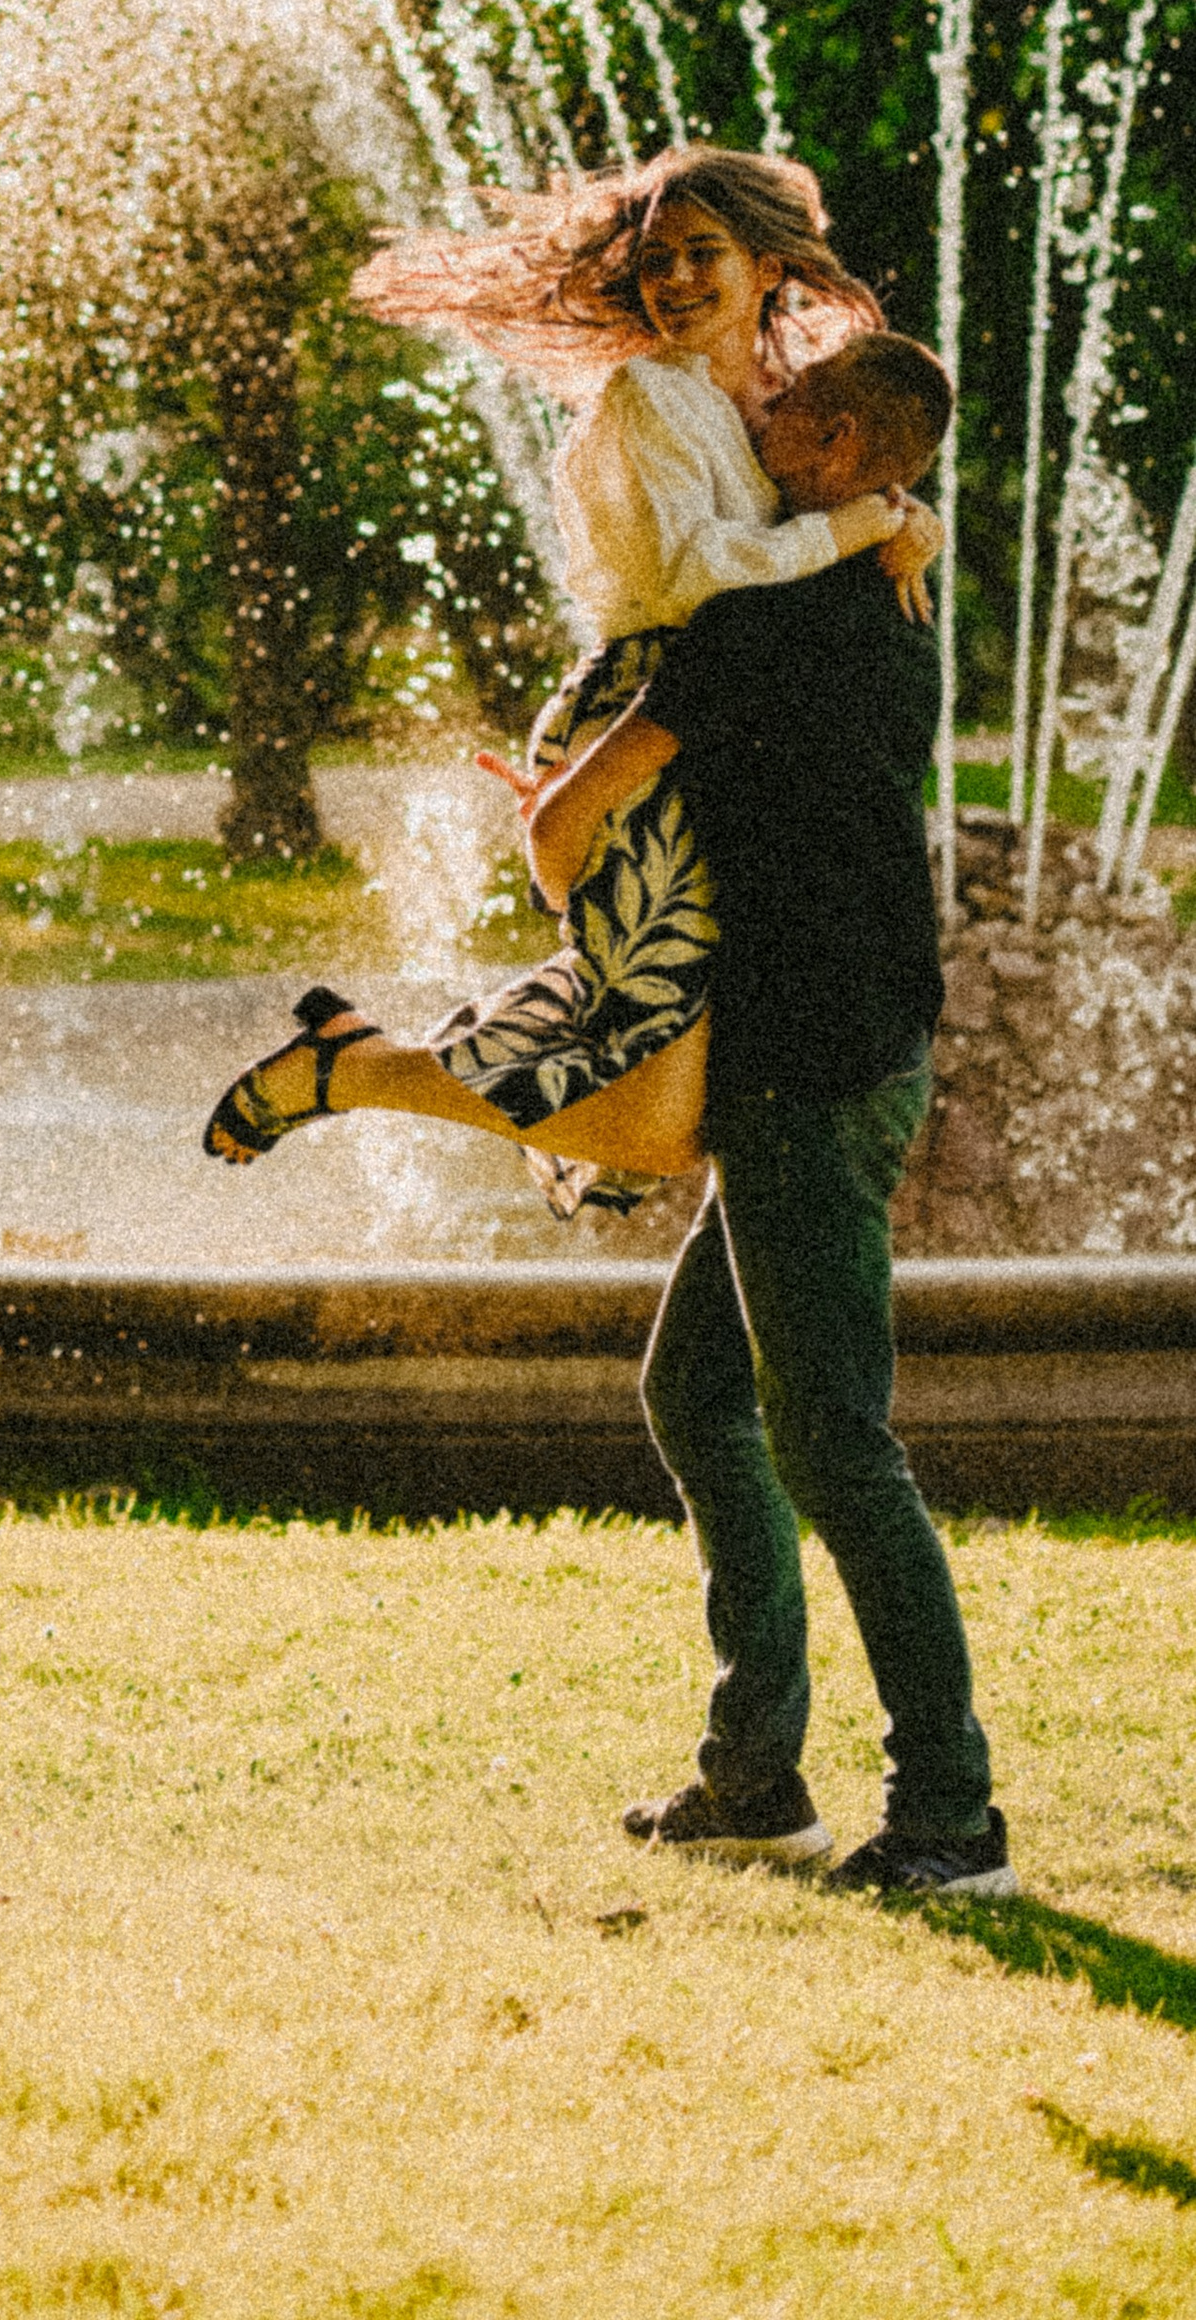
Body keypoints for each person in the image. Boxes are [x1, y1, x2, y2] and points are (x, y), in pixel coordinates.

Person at [512, 327, 1015, 1896]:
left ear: (849, 451)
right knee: (696, 1393)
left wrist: (582, 894)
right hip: (864, 1039)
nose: (763, 410)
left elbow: (565, 822)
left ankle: (951, 1819)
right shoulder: (894, 597)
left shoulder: (755, 621)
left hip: (803, 1060)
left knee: (834, 1442)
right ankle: (754, 1779)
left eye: (794, 405)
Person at [201, 145, 930, 1212]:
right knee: (660, 1103)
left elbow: (846, 479)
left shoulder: (779, 393)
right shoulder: (654, 395)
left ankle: (354, 1060)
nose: (674, 279)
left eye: (703, 253)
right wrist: (861, 527)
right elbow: (697, 575)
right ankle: (349, 1072)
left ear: (769, 266)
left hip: (713, 724)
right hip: (641, 705)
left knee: (666, 1081)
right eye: (656, 260)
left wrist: (907, 520)